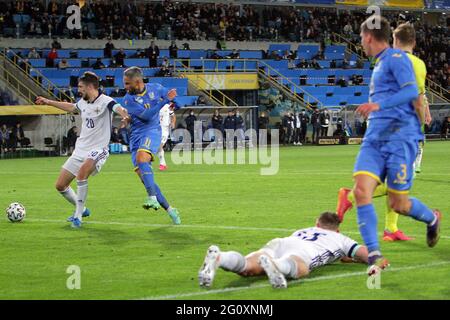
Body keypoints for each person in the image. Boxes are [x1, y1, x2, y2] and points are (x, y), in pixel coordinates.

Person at [351, 16, 441, 275]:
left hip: (400, 138)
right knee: (360, 191)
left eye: (360, 39)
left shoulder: (396, 59)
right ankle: (374, 254)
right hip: (375, 138)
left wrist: (379, 105)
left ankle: (432, 218)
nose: (361, 44)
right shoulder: (379, 64)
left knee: (398, 204)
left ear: (368, 36)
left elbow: (411, 91)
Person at [337, 22, 434, 242]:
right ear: (414, 42)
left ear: (394, 39)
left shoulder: (385, 61)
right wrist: (420, 124)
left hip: (378, 126)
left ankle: (390, 228)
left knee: (388, 181)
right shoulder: (415, 64)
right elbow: (417, 98)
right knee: (398, 186)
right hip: (399, 132)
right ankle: (350, 197)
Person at [35, 72, 130, 228]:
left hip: (98, 149)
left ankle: (78, 216)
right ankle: (83, 209)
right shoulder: (83, 102)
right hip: (80, 150)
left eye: (80, 87)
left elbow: (119, 108)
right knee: (60, 185)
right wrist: (48, 101)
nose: (78, 90)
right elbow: (72, 107)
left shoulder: (106, 101)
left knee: (81, 175)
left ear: (90, 86)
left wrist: (125, 116)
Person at [198, 212, 368, 289]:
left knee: (247, 267)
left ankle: (220, 258)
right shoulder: (342, 239)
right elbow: (368, 255)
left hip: (282, 242)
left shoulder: (306, 229)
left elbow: (345, 257)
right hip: (304, 251)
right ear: (337, 228)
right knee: (301, 267)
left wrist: (348, 258)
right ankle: (276, 266)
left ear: (317, 223)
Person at [121, 66, 180, 224]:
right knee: (148, 181)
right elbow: (146, 115)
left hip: (152, 131)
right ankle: (170, 209)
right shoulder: (127, 99)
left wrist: (173, 100)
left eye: (127, 83)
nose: (125, 87)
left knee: (142, 159)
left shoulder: (156, 88)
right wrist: (165, 100)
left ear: (138, 81)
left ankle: (151, 198)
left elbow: (172, 97)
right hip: (135, 137)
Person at [158, 102, 175, 171]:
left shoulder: (168, 106)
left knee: (160, 146)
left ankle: (162, 164)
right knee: (158, 148)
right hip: (156, 129)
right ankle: (163, 164)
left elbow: (173, 116)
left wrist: (173, 122)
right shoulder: (155, 106)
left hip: (164, 129)